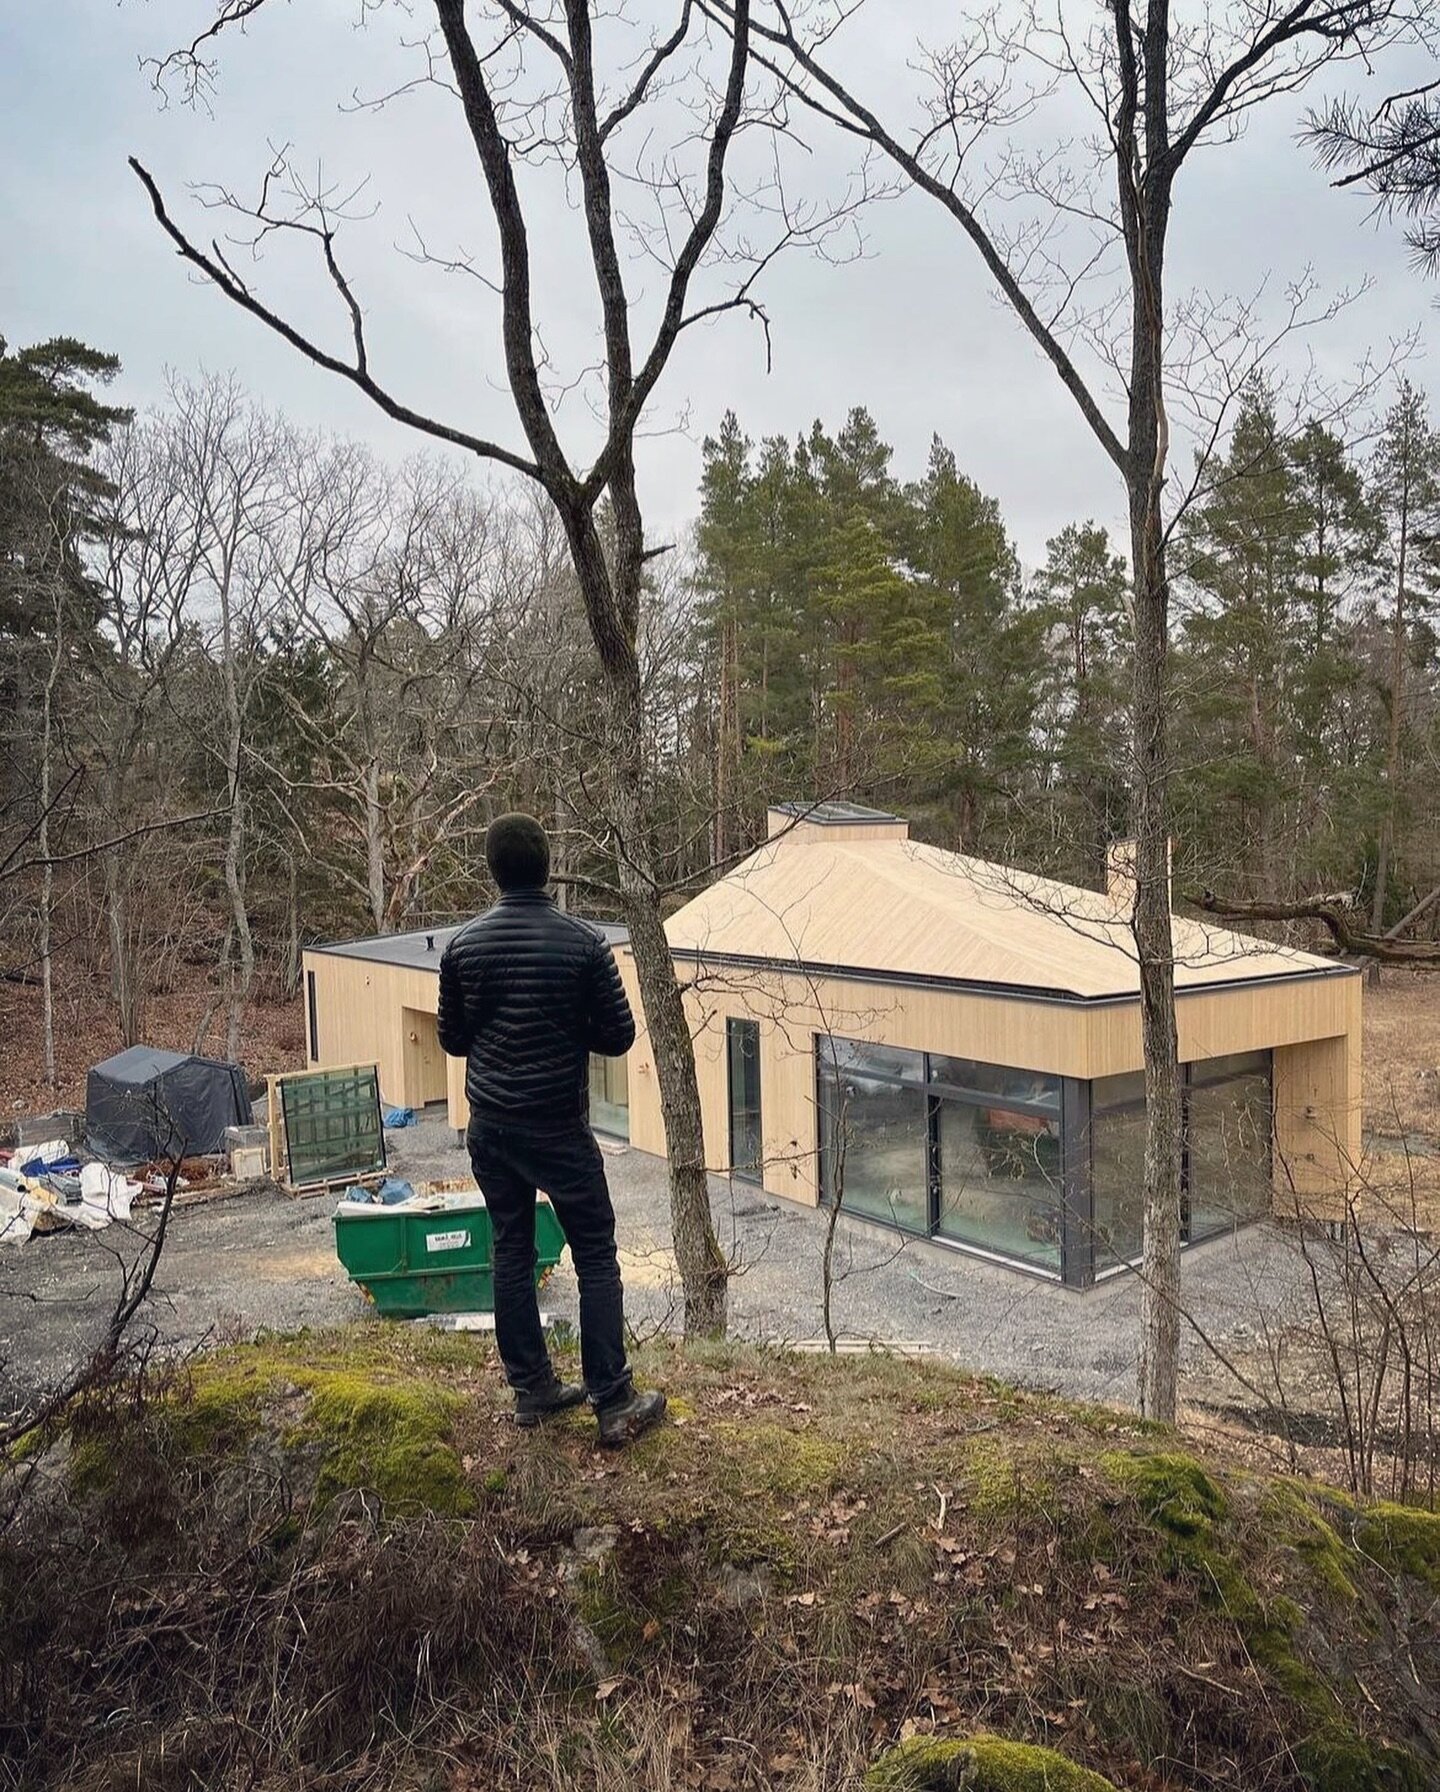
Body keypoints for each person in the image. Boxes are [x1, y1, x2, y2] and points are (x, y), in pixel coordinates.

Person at [436, 813, 666, 1448]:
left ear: (493, 869)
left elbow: (453, 1038)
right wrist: (569, 1028)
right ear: (546, 865)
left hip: (492, 1128)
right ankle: (613, 1399)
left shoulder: (462, 947)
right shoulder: (584, 944)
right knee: (594, 1254)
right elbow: (619, 1036)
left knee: (511, 1247)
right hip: (558, 1128)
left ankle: (533, 1389)